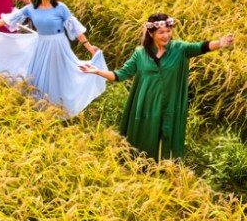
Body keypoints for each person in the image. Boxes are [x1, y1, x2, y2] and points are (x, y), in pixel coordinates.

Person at [80, 13, 235, 161]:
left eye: (168, 31)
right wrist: (97, 71)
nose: (166, 35)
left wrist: (220, 43)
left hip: (170, 103)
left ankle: (165, 166)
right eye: (161, 32)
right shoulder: (140, 54)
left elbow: (201, 47)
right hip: (147, 103)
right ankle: (142, 165)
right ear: (151, 33)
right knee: (146, 135)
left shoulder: (179, 49)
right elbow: (121, 75)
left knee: (166, 133)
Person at [0, 0, 106, 117]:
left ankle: (61, 105)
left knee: (60, 74)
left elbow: (75, 28)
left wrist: (89, 47)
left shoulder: (61, 8)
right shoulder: (31, 8)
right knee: (39, 75)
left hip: (58, 46)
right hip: (41, 45)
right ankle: (41, 105)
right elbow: (8, 20)